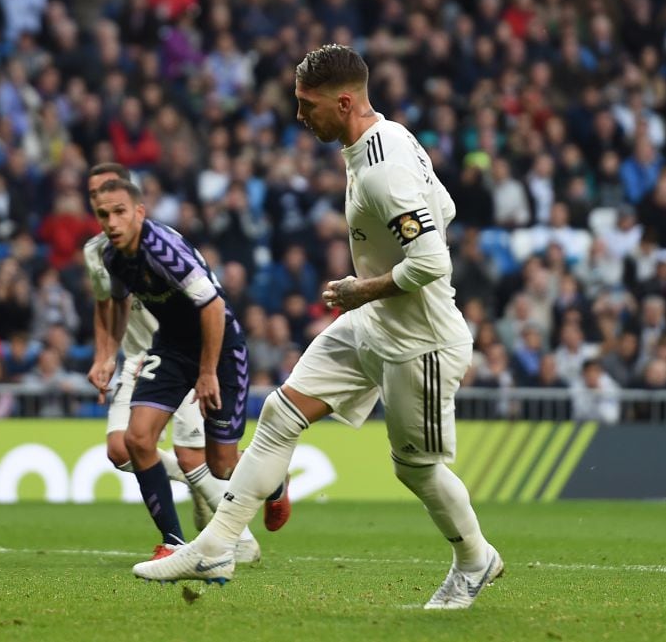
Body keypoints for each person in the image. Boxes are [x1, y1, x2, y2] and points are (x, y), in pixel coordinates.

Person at [133, 44, 502, 610]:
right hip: (375, 324)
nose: (300, 114)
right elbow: (443, 208)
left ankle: (476, 559)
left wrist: (363, 286)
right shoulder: (388, 137)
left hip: (420, 341)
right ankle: (217, 544)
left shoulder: (382, 170)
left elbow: (433, 261)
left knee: (416, 470)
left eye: (308, 104)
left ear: (345, 102)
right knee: (281, 413)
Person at [85, 163, 256, 557]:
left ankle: (274, 478)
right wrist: (106, 356)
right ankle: (174, 542)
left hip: (220, 347)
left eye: (119, 211)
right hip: (168, 348)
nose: (111, 221)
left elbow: (212, 306)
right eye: (103, 213)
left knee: (221, 465)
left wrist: (208, 372)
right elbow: (113, 303)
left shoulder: (163, 249)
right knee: (136, 439)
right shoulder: (108, 256)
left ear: (139, 210)